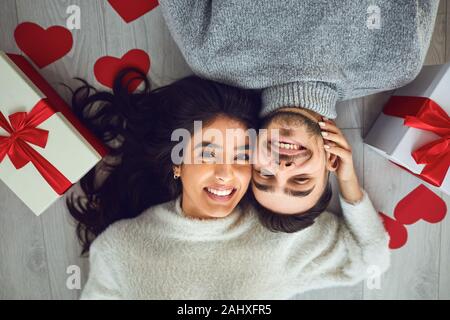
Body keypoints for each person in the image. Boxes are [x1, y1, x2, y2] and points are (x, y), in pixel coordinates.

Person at [68, 69, 390, 299]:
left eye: (242, 156)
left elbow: (369, 258)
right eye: (208, 154)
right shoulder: (120, 248)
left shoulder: (278, 237)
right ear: (177, 162)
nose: (225, 174)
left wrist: (346, 178)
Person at [157, 0, 439, 221]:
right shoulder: (393, 65)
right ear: (332, 161)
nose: (282, 168)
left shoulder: (210, 56)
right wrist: (349, 183)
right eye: (301, 179)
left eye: (265, 175)